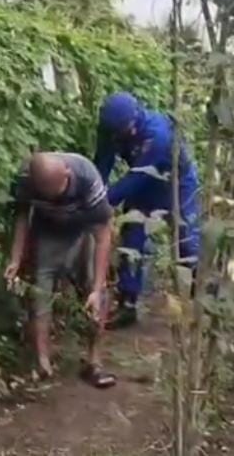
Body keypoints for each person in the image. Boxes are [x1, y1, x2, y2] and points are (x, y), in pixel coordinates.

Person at [4, 152, 117, 388]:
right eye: (48, 194)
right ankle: (42, 362)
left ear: (67, 172)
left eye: (60, 189)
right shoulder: (25, 178)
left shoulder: (86, 176)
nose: (56, 196)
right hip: (48, 232)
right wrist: (15, 259)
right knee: (41, 294)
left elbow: (103, 235)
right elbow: (22, 217)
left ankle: (94, 362)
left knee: (95, 294)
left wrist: (97, 288)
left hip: (84, 230)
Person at [94, 92, 201, 329]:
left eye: (129, 128)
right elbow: (102, 164)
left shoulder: (157, 135)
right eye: (121, 131)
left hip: (176, 183)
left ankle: (202, 300)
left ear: (137, 117)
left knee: (187, 240)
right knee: (131, 240)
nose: (128, 133)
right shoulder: (109, 129)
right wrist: (95, 194)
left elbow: (136, 178)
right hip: (143, 185)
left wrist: (103, 202)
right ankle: (128, 303)